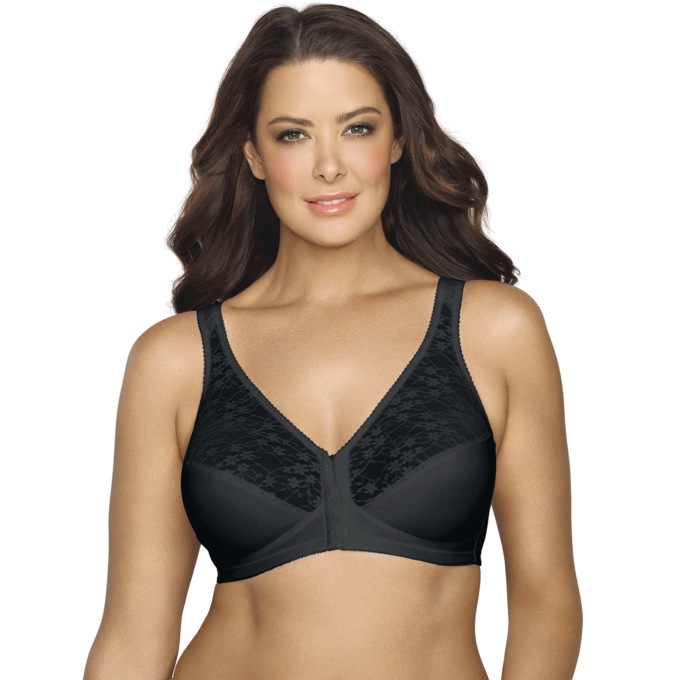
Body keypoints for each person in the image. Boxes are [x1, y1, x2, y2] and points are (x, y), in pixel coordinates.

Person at [83, 4, 582, 679]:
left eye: (357, 129)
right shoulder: (174, 361)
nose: (328, 166)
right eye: (293, 135)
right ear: (254, 155)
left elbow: (547, 599)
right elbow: (132, 637)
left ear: (398, 139)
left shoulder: (493, 331)